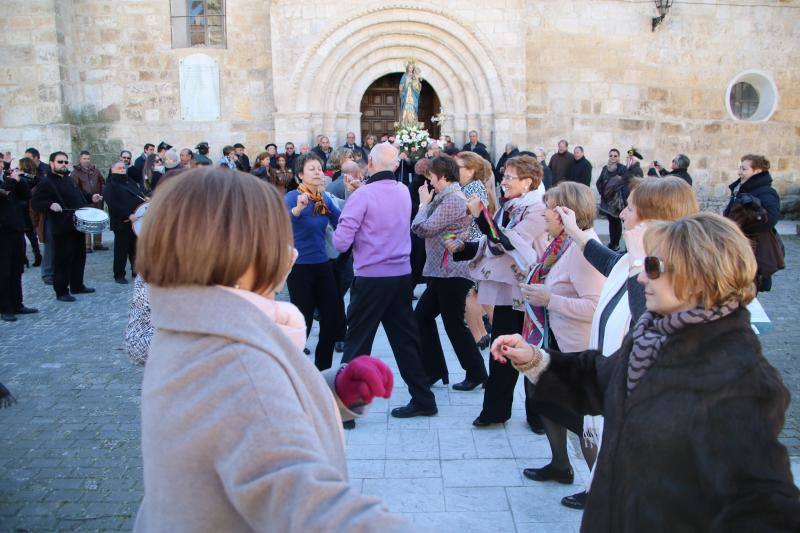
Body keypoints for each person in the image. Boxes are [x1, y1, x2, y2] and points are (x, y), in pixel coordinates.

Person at [133, 166, 411, 532]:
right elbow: (304, 500)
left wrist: (330, 391)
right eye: (278, 237)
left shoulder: (193, 324)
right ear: (244, 252)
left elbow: (251, 420)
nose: (288, 250)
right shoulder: (234, 360)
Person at [492, 212, 800, 532]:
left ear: (697, 277)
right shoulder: (653, 336)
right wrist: (534, 359)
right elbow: (601, 378)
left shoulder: (739, 379)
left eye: (651, 266)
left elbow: (763, 502)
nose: (640, 278)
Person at [555, 176, 699, 509]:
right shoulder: (632, 258)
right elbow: (605, 259)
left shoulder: (671, 269)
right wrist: (574, 230)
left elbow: (646, 316)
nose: (621, 214)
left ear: (653, 218)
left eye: (630, 208)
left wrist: (639, 260)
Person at [333, 143, 438, 419]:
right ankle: (424, 399)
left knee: (357, 343)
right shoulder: (403, 191)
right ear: (395, 166)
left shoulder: (363, 196)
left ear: (369, 161)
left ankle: (348, 408)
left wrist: (353, 202)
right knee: (405, 340)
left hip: (371, 278)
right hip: (401, 275)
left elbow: (341, 242)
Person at [445, 155, 548, 427]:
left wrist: (480, 216)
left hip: (529, 294)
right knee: (500, 349)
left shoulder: (537, 209)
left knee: (530, 352)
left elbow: (508, 242)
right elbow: (492, 242)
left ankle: (537, 415)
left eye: (509, 177)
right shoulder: (510, 207)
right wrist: (464, 249)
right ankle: (495, 411)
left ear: (527, 181)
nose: (503, 182)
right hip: (507, 291)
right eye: (503, 176)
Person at [516, 182, 605, 496]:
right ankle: (560, 465)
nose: (542, 215)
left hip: (575, 352)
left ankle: (598, 490)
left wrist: (548, 299)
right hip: (553, 342)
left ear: (566, 213)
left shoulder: (583, 250)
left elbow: (595, 307)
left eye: (548, 210)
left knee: (582, 422)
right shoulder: (561, 245)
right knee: (544, 400)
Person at [412, 155, 489, 390]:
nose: (430, 182)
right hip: (442, 271)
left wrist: (423, 204)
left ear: (443, 176)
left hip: (452, 271)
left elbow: (422, 228)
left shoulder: (453, 200)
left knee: (453, 323)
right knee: (422, 317)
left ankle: (476, 373)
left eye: (432, 177)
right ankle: (436, 370)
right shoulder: (446, 196)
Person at [285, 153, 345, 371]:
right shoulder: (292, 197)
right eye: (312, 169)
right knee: (303, 321)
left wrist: (355, 195)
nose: (318, 172)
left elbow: (342, 222)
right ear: (300, 175)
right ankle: (294, 369)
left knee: (332, 319)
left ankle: (323, 369)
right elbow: (285, 219)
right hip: (299, 268)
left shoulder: (324, 198)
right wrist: (299, 209)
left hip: (322, 264)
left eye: (319, 168)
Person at [31, 152, 98, 302]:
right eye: (60, 161)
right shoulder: (46, 182)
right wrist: (49, 204)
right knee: (63, 260)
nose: (63, 164)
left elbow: (79, 196)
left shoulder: (69, 180)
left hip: (77, 223)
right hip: (61, 226)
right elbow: (36, 202)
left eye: (66, 162)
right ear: (52, 163)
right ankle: (61, 291)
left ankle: (77, 285)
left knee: (79, 257)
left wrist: (90, 198)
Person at [723, 154, 782, 292]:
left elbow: (770, 220)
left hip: (753, 250)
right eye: (740, 168)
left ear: (757, 171)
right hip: (739, 247)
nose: (739, 172)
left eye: (744, 169)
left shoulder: (767, 192)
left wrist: (741, 227)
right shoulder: (742, 189)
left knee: (747, 291)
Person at [456, 151, 497, 349]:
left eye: (459, 167)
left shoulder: (471, 188)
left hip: (473, 246)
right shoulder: (473, 186)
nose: (454, 170)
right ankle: (486, 335)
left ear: (471, 171)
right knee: (479, 293)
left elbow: (467, 218)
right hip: (475, 244)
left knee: (469, 294)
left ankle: (479, 336)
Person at [1, 166, 38, 321]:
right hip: (2, 232)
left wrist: (19, 180)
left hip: (16, 228)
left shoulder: (6, 179)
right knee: (3, 271)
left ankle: (17, 303)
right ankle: (5, 308)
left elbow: (26, 195)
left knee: (17, 267)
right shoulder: (6, 182)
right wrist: (11, 182)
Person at [104, 161, 147, 284]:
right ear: (112, 170)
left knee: (135, 247)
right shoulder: (111, 185)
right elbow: (113, 204)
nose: (122, 170)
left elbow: (137, 195)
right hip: (122, 221)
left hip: (135, 221)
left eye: (123, 168)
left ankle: (136, 270)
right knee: (121, 249)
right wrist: (127, 214)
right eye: (119, 168)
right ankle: (119, 274)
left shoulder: (129, 181)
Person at [72, 151, 107, 252]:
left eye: (88, 158)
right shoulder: (75, 172)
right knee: (86, 223)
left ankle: (97, 243)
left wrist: (101, 194)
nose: (86, 161)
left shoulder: (95, 171)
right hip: (85, 201)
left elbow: (102, 182)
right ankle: (87, 245)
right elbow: (75, 187)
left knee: (98, 221)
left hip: (97, 200)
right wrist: (82, 198)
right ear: (80, 159)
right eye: (84, 158)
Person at [595, 148, 628, 250]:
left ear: (618, 157)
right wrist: (604, 192)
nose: (613, 157)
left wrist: (616, 192)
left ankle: (617, 244)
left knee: (618, 223)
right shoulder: (605, 168)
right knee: (611, 223)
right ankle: (612, 243)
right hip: (607, 201)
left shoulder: (622, 168)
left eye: (615, 156)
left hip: (618, 202)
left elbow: (624, 183)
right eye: (611, 155)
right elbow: (599, 182)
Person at [17, 157, 42, 267]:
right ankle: (37, 255)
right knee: (31, 235)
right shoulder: (34, 176)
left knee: (22, 235)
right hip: (30, 207)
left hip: (22, 208)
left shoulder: (22, 177)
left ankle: (24, 259)